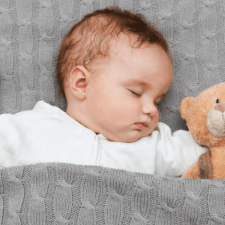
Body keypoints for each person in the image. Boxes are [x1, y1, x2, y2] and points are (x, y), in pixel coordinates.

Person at [0, 7, 208, 176]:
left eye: (157, 101)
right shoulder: (31, 131)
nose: (151, 110)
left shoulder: (154, 147)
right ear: (82, 83)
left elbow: (209, 154)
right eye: (135, 92)